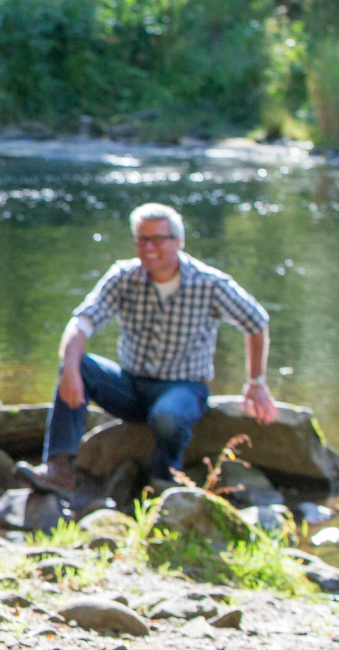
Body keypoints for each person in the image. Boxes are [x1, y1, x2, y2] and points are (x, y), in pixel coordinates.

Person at [19, 203, 276, 497]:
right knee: (75, 365)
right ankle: (59, 470)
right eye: (141, 239)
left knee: (167, 415)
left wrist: (256, 382)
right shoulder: (124, 276)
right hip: (130, 385)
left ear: (178, 242)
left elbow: (256, 322)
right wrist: (71, 369)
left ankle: (165, 482)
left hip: (184, 388)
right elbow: (82, 322)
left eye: (157, 239)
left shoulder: (208, 283)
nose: (148, 247)